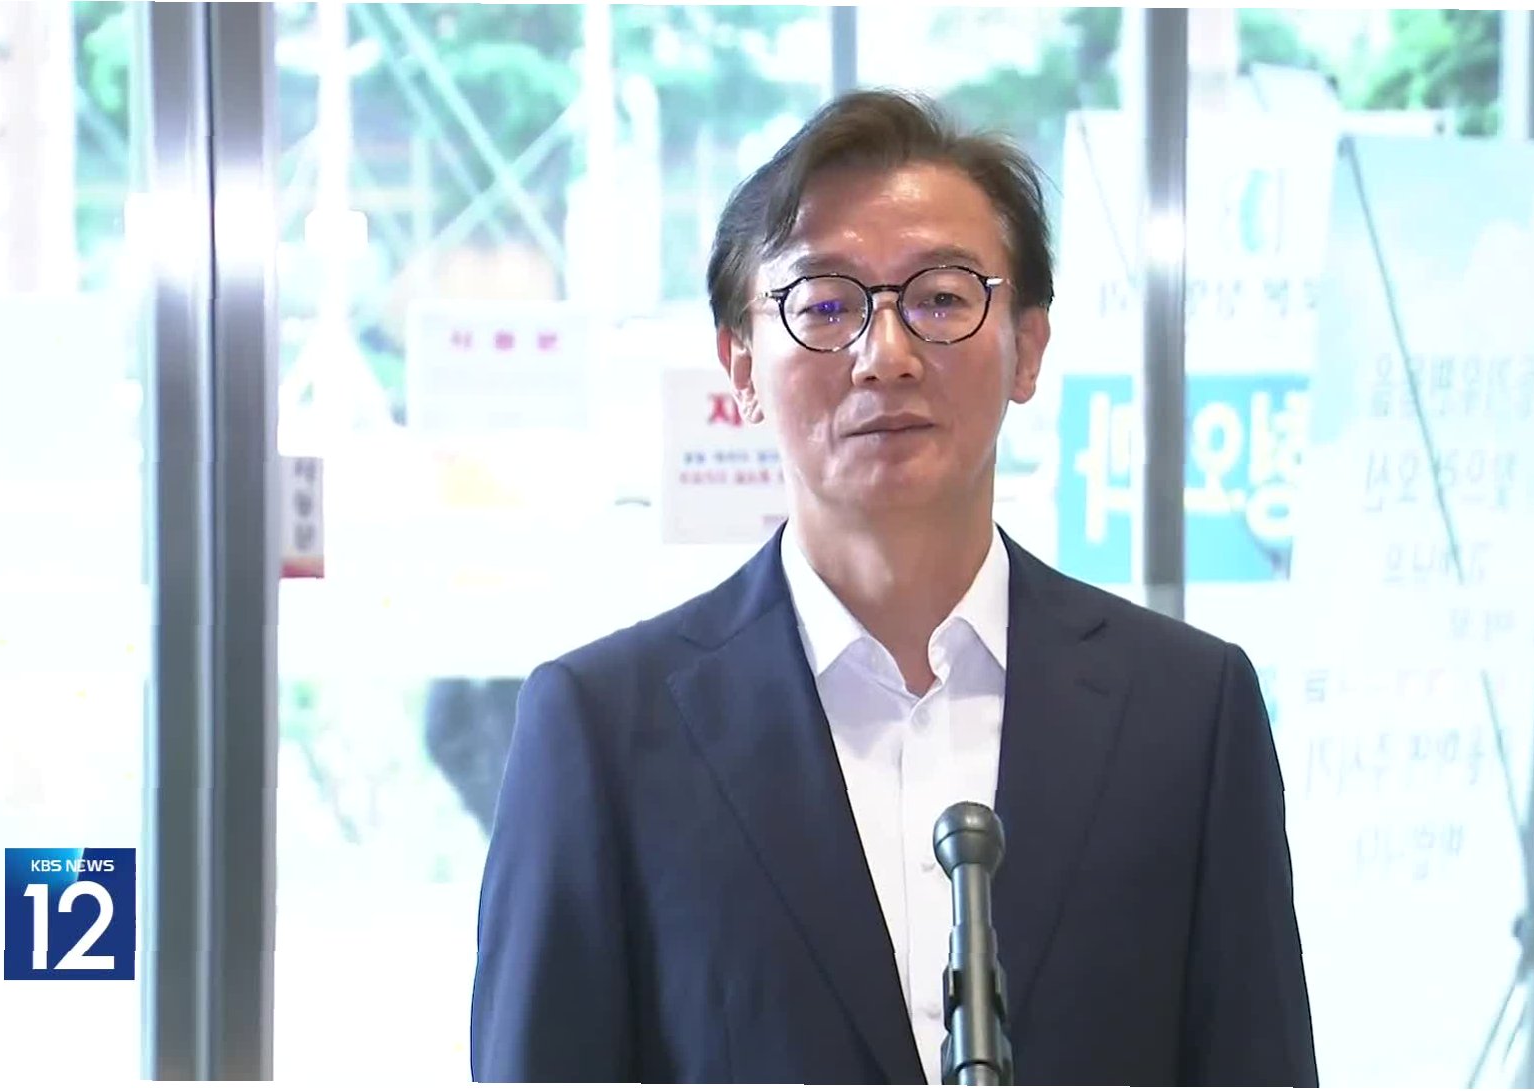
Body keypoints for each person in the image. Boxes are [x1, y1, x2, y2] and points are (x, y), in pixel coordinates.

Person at [469, 88, 1319, 1086]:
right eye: (825, 306)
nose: (886, 355)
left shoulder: (1187, 708)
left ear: (1027, 348)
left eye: (942, 298)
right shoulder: (604, 730)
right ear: (740, 366)